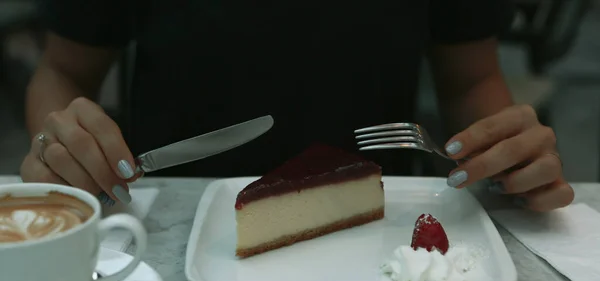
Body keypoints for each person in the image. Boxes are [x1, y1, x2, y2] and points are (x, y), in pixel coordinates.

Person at [21, 0, 573, 212]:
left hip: (375, 224)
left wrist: (506, 157)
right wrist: (59, 144)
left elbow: (471, 80)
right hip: (164, 222)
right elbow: (63, 72)